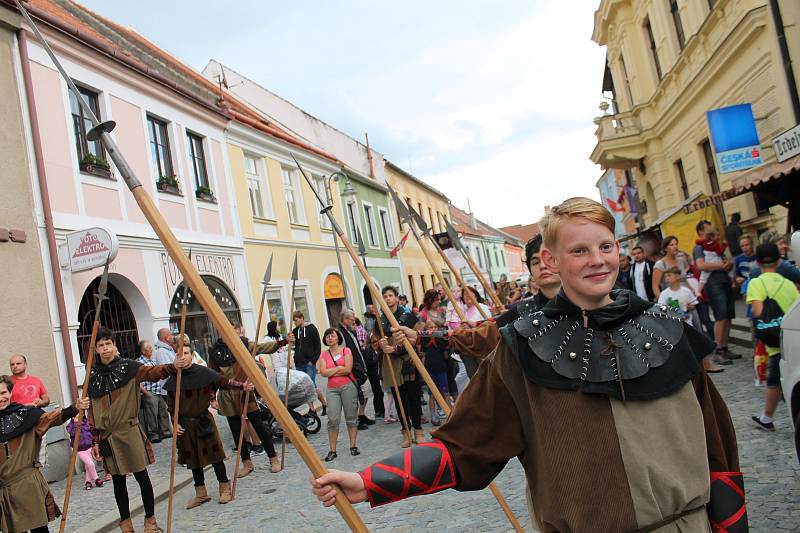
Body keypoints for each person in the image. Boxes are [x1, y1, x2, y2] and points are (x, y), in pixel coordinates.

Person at [310, 197, 746, 533]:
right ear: (551, 262)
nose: (597, 260)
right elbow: (464, 445)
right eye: (580, 250)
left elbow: (720, 450)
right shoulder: (522, 348)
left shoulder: (669, 332)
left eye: (606, 246)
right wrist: (370, 482)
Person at [86, 326, 178, 532]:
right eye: (101, 345)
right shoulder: (91, 378)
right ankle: (126, 523)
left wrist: (173, 366)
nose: (106, 348)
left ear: (114, 345)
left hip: (130, 431)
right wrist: (94, 439)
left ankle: (150, 521)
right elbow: (91, 410)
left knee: (141, 476)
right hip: (108, 437)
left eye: (108, 344)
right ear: (97, 350)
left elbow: (153, 372)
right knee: (118, 482)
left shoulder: (129, 367)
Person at [165, 343, 253, 509]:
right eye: (179, 354)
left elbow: (224, 382)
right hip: (186, 424)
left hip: (204, 421)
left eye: (185, 353)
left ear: (192, 355)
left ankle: (225, 488)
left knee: (215, 457)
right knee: (193, 460)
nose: (182, 356)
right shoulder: (174, 378)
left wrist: (242, 386)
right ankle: (201, 494)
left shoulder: (204, 373)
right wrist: (174, 422)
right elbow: (171, 404)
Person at [0, 375, 88, 533]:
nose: (1, 398)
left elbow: (52, 418)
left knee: (39, 530)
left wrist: (74, 408)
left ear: (10, 393)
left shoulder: (27, 414)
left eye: (3, 393)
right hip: (5, 492)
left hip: (29, 484)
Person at [209, 323, 283, 476]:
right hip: (227, 394)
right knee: (237, 431)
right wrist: (212, 397)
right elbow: (213, 375)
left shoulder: (243, 344)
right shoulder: (215, 351)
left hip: (245, 391)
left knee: (258, 425)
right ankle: (247, 463)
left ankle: (273, 458)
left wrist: (283, 342)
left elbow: (264, 347)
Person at [747, 242, 800, 431]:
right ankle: (766, 417)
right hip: (791, 337)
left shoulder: (756, 283)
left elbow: (757, 311)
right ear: (779, 260)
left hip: (774, 341)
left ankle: (767, 418)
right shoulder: (788, 284)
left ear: (757, 262)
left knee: (774, 380)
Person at [373, 285, 422, 448]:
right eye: (385, 296)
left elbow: (416, 337)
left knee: (413, 397)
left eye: (390, 296)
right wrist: (381, 344)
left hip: (407, 360)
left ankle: (418, 430)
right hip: (391, 364)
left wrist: (395, 347)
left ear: (396, 297)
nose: (388, 299)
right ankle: (406, 432)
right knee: (399, 398)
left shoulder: (408, 316)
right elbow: (374, 341)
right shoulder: (380, 321)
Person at [693, 221, 737, 365]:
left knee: (728, 316)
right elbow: (701, 265)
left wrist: (728, 263)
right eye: (708, 227)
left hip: (725, 280)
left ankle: (724, 347)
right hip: (713, 283)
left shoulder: (716, 243)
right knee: (721, 316)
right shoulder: (699, 247)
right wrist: (721, 265)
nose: (712, 228)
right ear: (701, 231)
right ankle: (718, 350)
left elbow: (726, 259)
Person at [318, 328, 360, 461]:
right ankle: (332, 450)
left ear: (338, 338)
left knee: (351, 416)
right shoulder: (324, 355)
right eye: (327, 336)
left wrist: (332, 370)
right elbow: (323, 372)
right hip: (332, 389)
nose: (330, 338)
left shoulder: (345, 351)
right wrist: (338, 368)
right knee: (333, 419)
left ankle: (353, 446)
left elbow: (348, 369)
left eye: (332, 336)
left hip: (348, 386)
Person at [339, 309, 375, 430]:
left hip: (359, 366)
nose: (354, 322)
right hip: (352, 369)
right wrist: (348, 368)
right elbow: (342, 352)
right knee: (357, 395)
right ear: (345, 320)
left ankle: (362, 415)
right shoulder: (340, 333)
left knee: (365, 392)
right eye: (352, 320)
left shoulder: (350, 331)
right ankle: (357, 420)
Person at [136, 340, 171, 443]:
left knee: (163, 411)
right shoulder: (139, 362)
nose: (151, 349)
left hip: (158, 390)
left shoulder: (152, 361)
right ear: (143, 351)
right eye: (148, 347)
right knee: (152, 414)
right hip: (150, 391)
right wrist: (146, 393)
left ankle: (165, 432)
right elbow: (138, 381)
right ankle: (153, 435)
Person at [291, 311, 326, 414]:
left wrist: (313, 361)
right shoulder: (295, 330)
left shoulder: (311, 328)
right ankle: (312, 408)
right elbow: (295, 345)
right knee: (306, 387)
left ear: (302, 318)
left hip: (309, 363)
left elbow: (318, 346)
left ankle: (322, 403)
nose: (294, 323)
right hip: (299, 363)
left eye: (296, 320)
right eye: (293, 321)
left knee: (311, 385)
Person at [66, 413, 104, 491]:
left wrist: (93, 443)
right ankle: (97, 479)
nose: (79, 415)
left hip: (89, 446)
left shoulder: (85, 422)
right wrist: (76, 423)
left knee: (88, 465)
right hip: (80, 449)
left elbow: (89, 431)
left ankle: (88, 482)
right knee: (90, 464)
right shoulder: (70, 425)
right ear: (73, 416)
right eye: (77, 414)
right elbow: (71, 432)